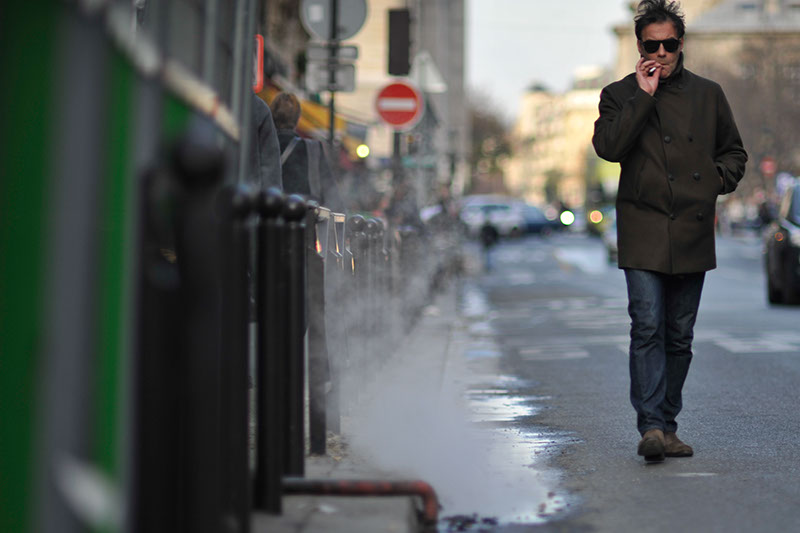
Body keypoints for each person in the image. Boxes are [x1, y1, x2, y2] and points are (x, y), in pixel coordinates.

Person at [592, 0, 747, 463]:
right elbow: (609, 148)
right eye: (651, 45)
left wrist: (715, 183)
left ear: (682, 45)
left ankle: (669, 422)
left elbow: (734, 154)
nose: (660, 53)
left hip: (692, 228)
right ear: (639, 46)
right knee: (646, 327)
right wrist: (643, 95)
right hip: (642, 228)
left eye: (670, 44)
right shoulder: (618, 94)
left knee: (680, 335)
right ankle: (652, 427)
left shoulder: (708, 94)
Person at [269, 92, 343, 211]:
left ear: (271, 116)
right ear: (298, 118)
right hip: (304, 218)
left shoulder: (262, 145)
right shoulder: (313, 149)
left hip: (268, 215)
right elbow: (331, 194)